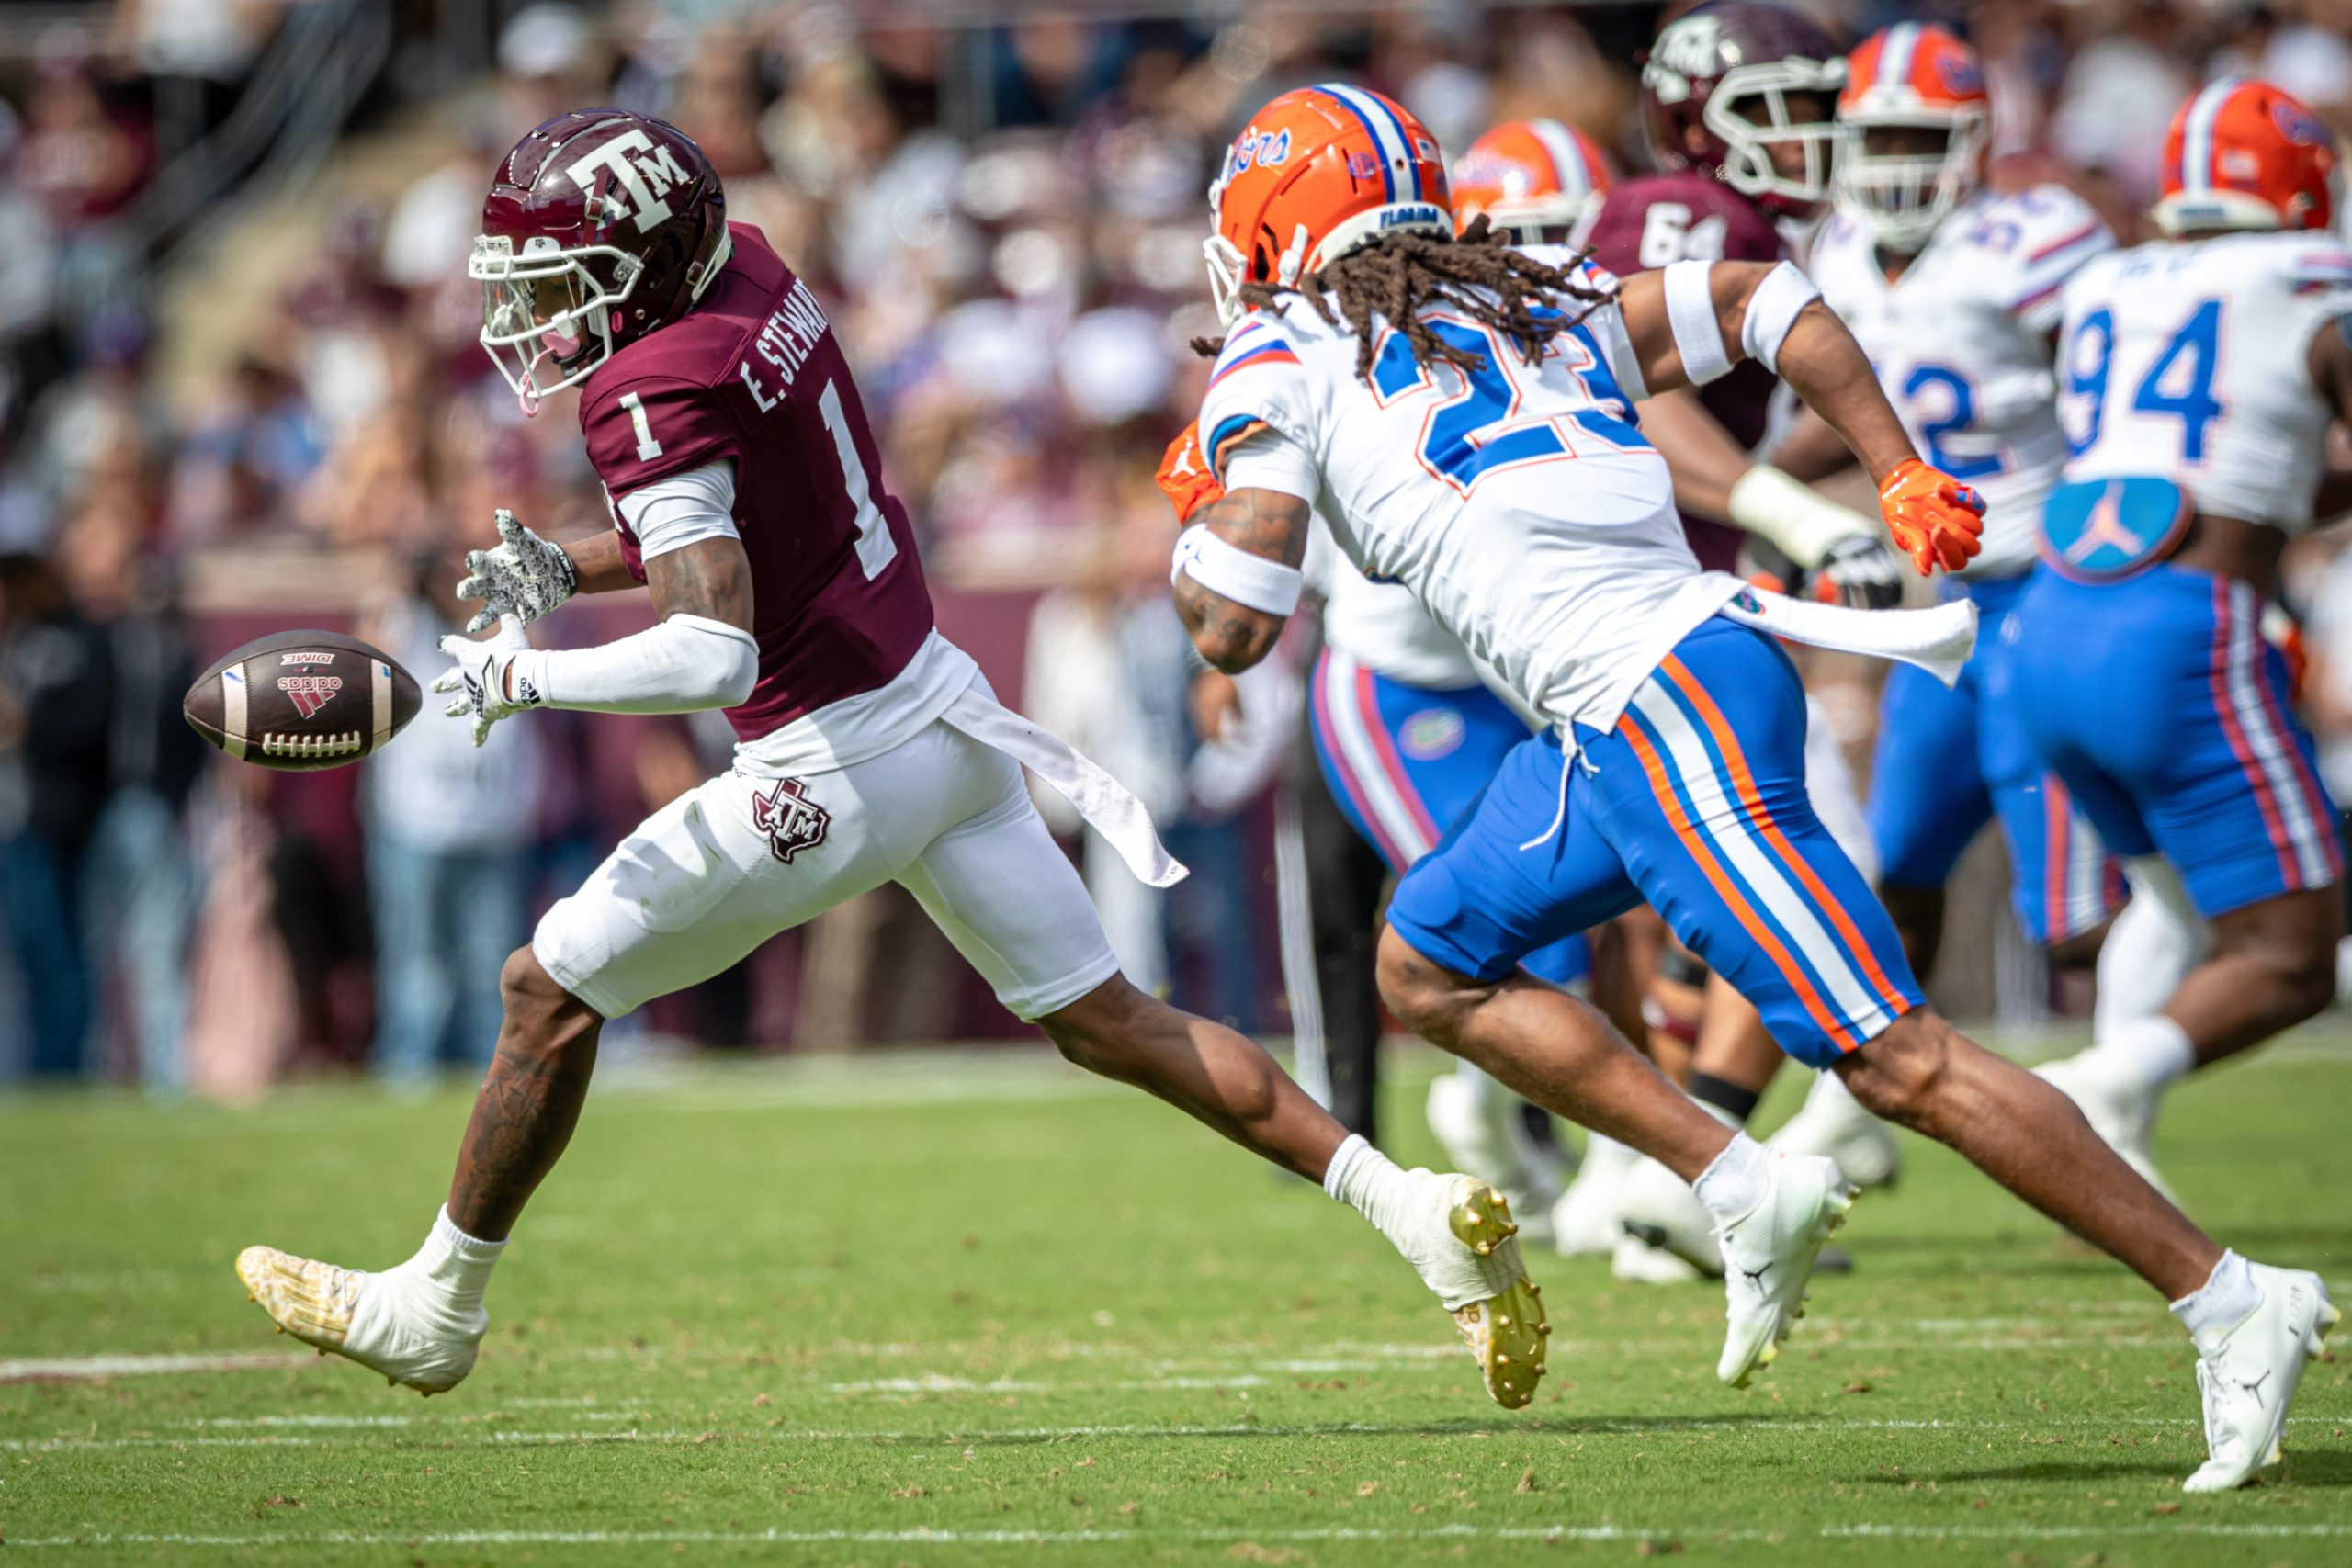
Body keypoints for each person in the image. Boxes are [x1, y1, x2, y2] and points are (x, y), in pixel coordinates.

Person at [234, 109, 1552, 1415]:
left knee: (546, 988)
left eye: (563, 285)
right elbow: (738, 504)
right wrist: (563, 563)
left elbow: (713, 652)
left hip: (829, 764)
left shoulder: (641, 383)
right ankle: (1415, 1208)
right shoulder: (747, 267)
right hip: (940, 711)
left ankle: (437, 1305)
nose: (542, 323)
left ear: (635, 263)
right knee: (1118, 1022)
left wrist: (520, 674)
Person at [1168, 78, 2332, 1491]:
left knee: (1897, 1056)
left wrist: (1207, 502)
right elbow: (1770, 301)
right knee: (1430, 958)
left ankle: (2228, 1297)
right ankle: (1738, 1179)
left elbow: (1232, 625)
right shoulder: (1528, 300)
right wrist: (1894, 470)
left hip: (1661, 710)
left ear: (1275, 221)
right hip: (1650, 699)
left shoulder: (1281, 346)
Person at [1574, 2, 1905, 1277]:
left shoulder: (1746, 226)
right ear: (1690, 114)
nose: (1809, 138)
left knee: (1669, 908)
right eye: (1777, 110)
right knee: (1829, 867)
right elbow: (1628, 392)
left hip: (1652, 595)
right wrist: (1791, 516)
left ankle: (1662, 1176)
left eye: (1821, 111)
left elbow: (1739, 429)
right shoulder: (1691, 218)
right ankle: (1690, 1168)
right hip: (1646, 601)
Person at [2018, 80, 2352, 1201]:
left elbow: (2224, 457)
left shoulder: (2107, 279)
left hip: (2052, 623)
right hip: (2183, 631)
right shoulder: (2308, 276)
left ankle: (2112, 1169)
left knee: (2164, 901)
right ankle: (2094, 1090)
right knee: (2294, 956)